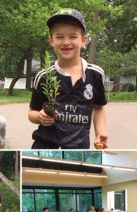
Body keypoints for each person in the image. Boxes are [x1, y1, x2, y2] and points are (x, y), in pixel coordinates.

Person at [29, 9, 107, 149]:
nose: (66, 42)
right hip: (45, 146)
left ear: (84, 40)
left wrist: (100, 133)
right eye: (59, 37)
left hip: (78, 148)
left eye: (73, 36)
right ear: (51, 40)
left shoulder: (95, 74)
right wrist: (40, 117)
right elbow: (31, 112)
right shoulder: (44, 76)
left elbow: (99, 108)